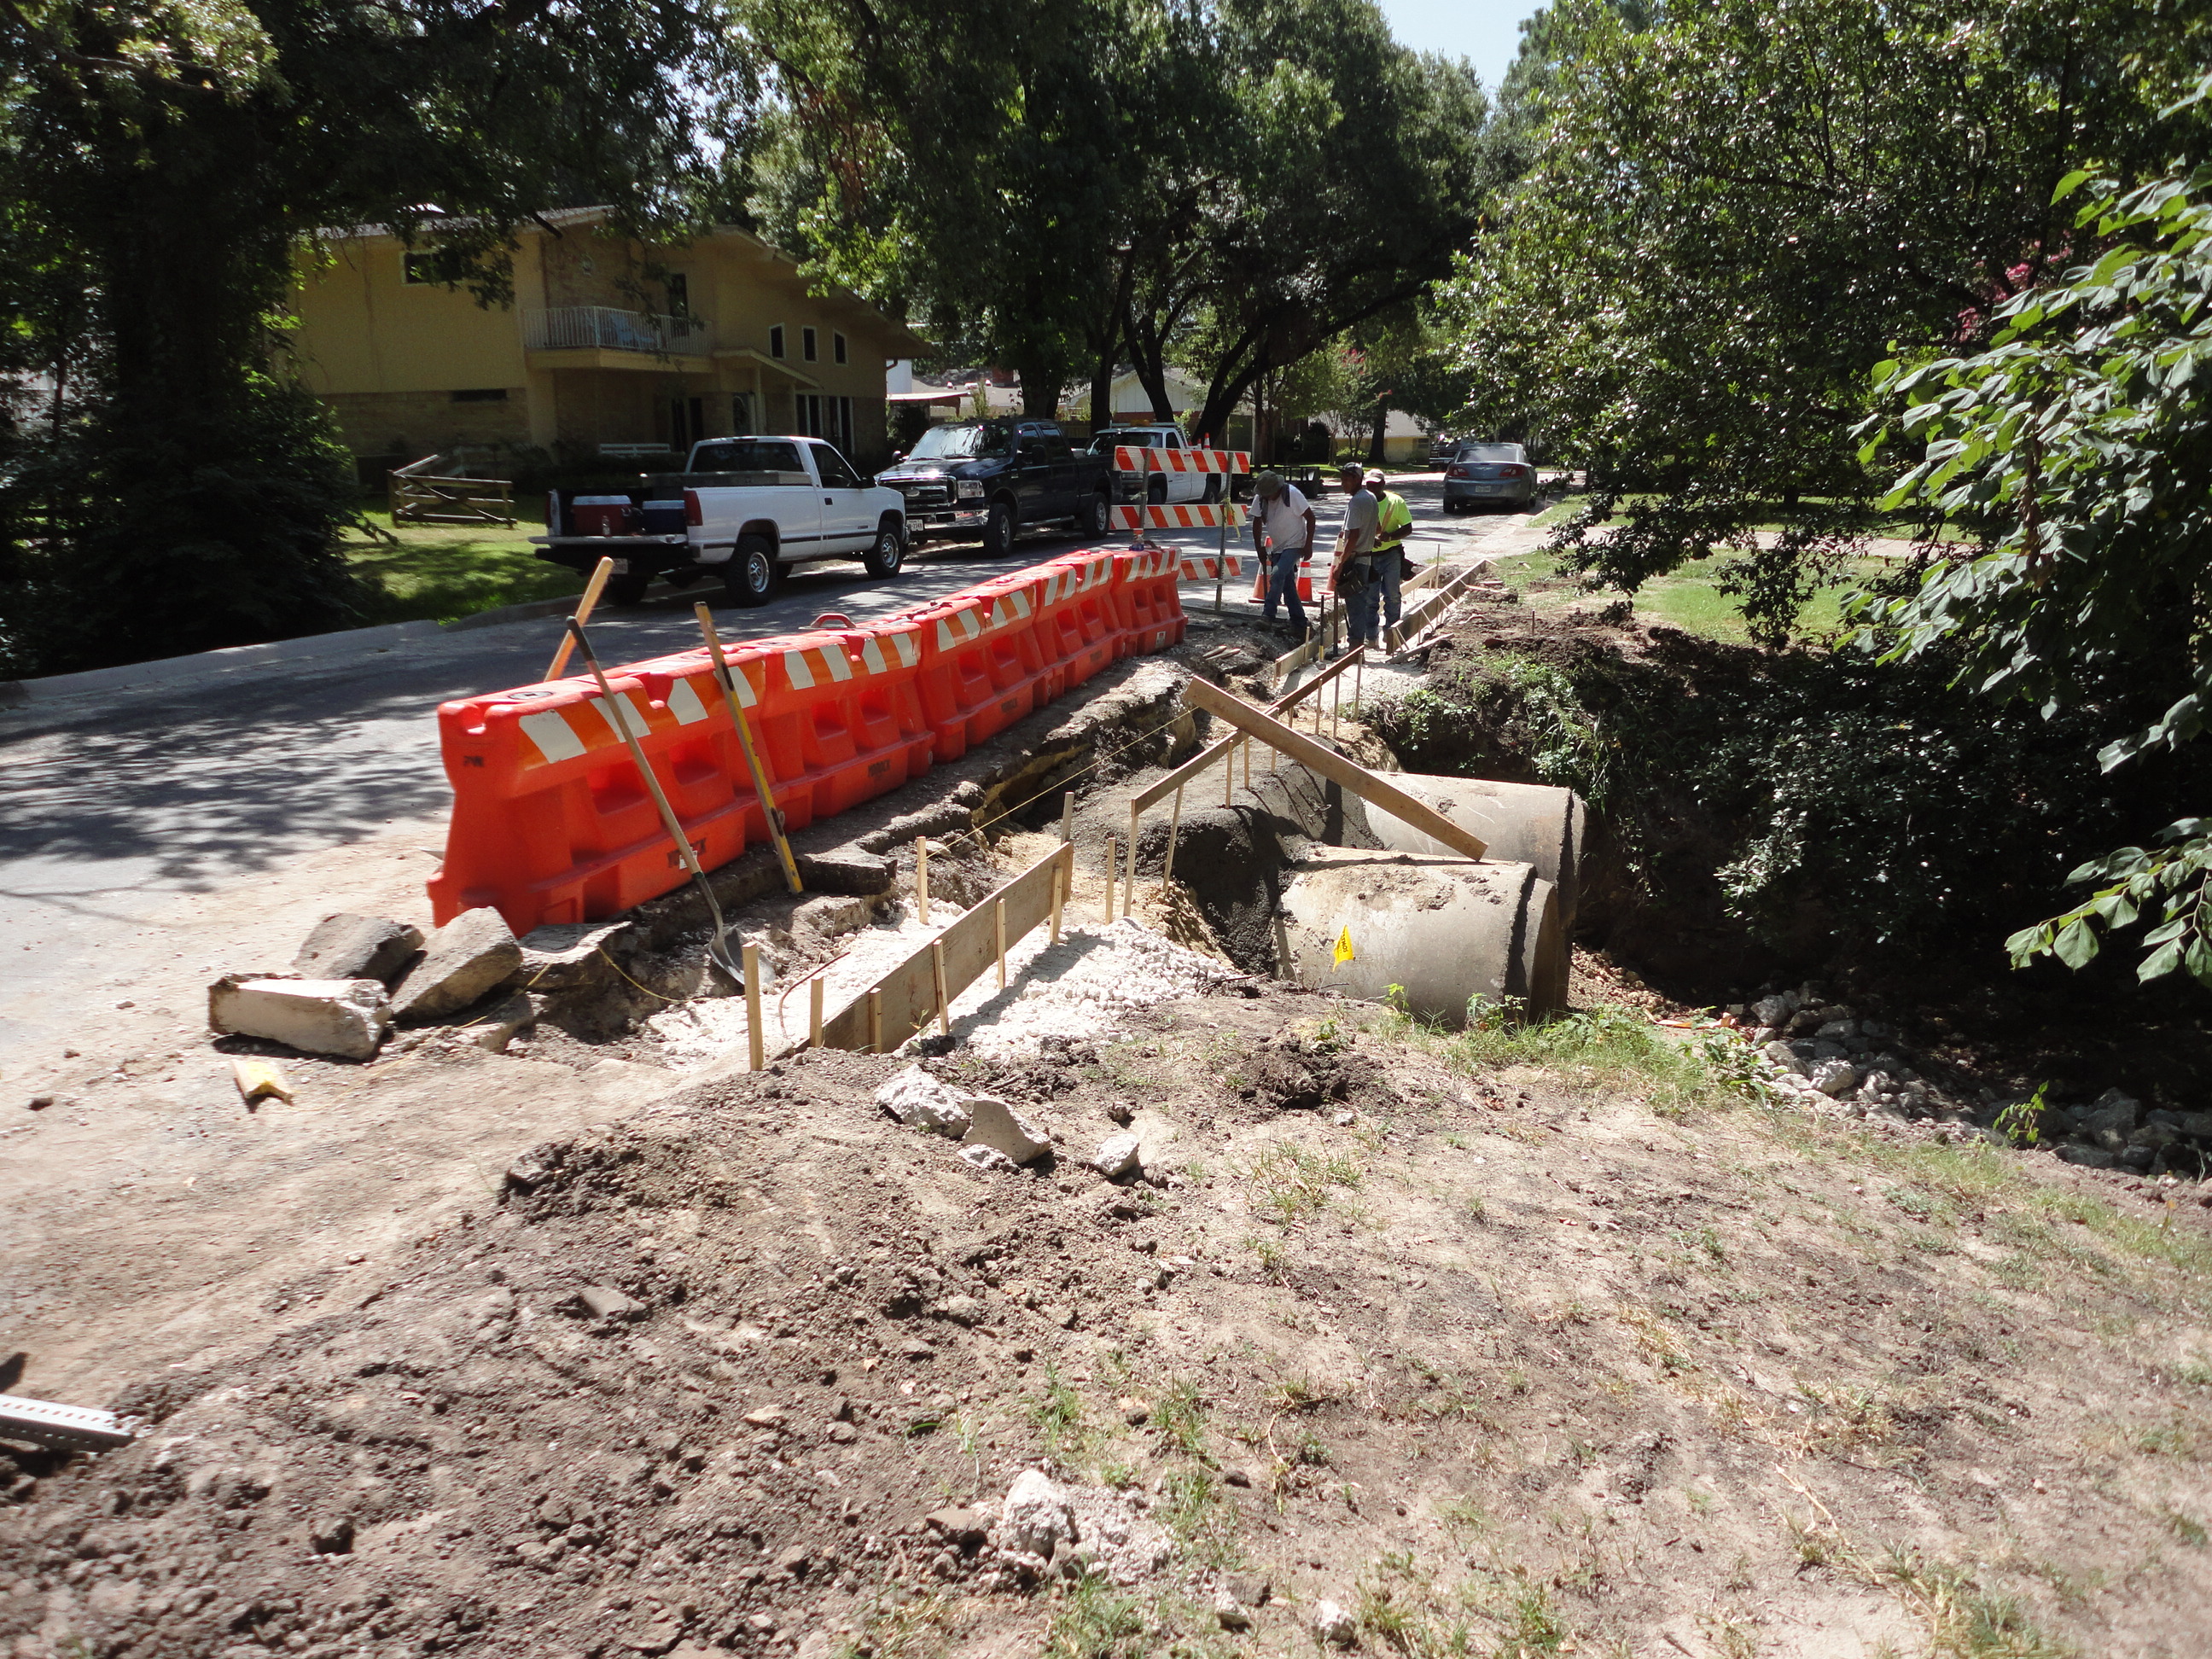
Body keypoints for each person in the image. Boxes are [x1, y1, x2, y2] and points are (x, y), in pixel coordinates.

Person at [1249, 470, 1315, 636]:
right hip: (1278, 546)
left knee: (1277, 574)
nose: (1266, 497)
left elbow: (1310, 518)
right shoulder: (1261, 498)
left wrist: (1308, 545)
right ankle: (1299, 623)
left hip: (1295, 543)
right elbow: (1257, 522)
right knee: (1287, 585)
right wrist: (1259, 548)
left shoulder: (1292, 495)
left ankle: (1268, 615)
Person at [1330, 463, 1381, 648]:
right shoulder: (1370, 497)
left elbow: (1353, 536)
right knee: (1360, 603)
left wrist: (1340, 565)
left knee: (1355, 606)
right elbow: (1377, 527)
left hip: (1356, 560)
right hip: (1366, 558)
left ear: (1357, 480)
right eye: (1342, 479)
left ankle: (1355, 649)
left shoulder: (1357, 501)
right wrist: (1369, 538)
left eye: (1347, 479)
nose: (1343, 483)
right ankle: (1356, 647)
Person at [1367, 469, 1412, 648]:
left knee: (1392, 596)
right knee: (1370, 599)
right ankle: (1371, 637)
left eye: (1376, 485)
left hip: (1391, 554)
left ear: (1383, 485)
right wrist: (1368, 540)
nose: (1372, 489)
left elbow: (1407, 528)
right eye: (1369, 485)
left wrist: (1390, 536)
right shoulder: (1362, 502)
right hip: (1369, 556)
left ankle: (1391, 635)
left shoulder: (1395, 502)